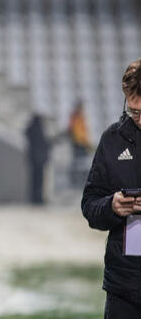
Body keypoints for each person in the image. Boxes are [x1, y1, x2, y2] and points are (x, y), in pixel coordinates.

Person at [82, 58, 141, 318]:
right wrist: (112, 206)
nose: (139, 119)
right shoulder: (112, 139)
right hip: (123, 287)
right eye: (134, 111)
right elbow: (90, 204)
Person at [25, 113, 50, 204]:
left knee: (35, 181)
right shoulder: (37, 131)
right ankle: (37, 198)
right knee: (38, 181)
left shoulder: (31, 130)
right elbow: (43, 144)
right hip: (38, 160)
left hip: (34, 159)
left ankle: (35, 198)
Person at [68, 100, 92, 186]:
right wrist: (82, 142)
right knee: (77, 164)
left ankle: (82, 182)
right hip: (78, 144)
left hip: (82, 144)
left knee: (82, 164)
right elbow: (75, 132)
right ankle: (76, 182)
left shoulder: (81, 118)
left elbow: (84, 132)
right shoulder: (74, 117)